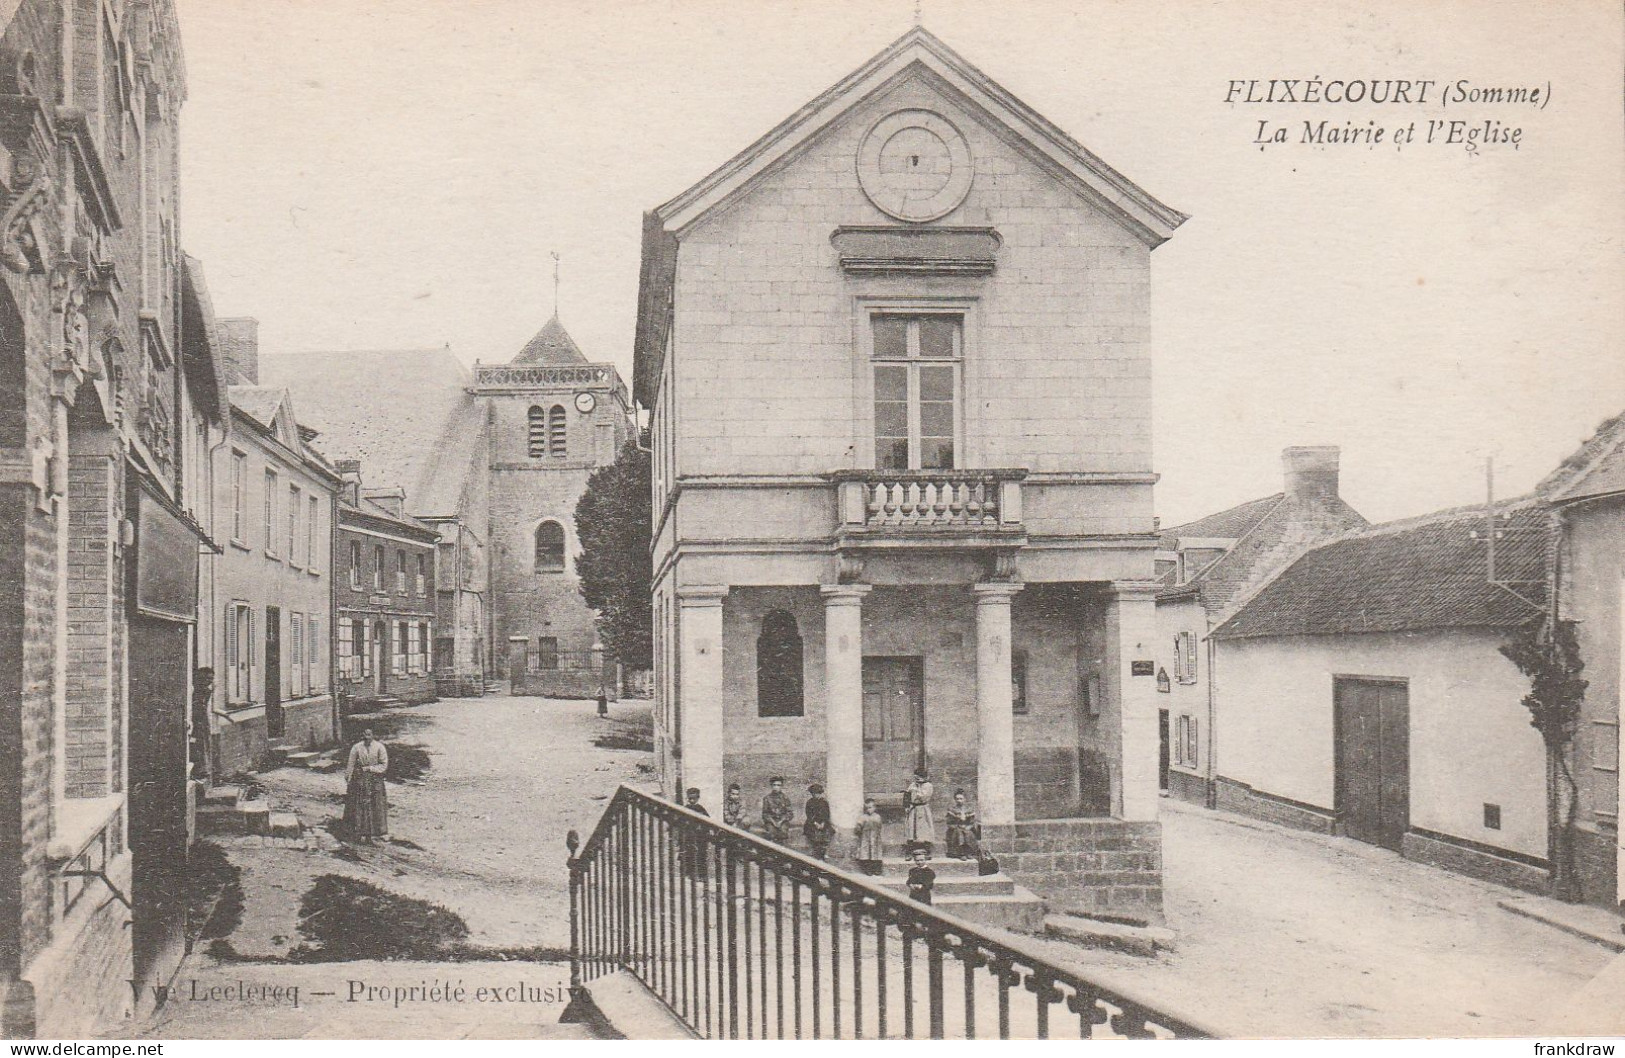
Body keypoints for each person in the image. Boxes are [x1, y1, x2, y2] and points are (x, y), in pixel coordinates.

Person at [344, 728, 390, 844]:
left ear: (373, 735)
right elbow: (351, 763)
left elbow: (384, 765)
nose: (367, 737)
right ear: (362, 735)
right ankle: (357, 832)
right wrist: (348, 778)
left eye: (369, 735)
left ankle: (374, 833)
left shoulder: (380, 747)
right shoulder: (357, 747)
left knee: (376, 805)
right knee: (359, 806)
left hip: (375, 780)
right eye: (364, 735)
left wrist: (370, 768)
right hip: (360, 780)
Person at [904, 767, 935, 857]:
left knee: (925, 828)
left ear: (924, 777)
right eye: (915, 777)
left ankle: (927, 850)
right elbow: (907, 795)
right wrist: (906, 806)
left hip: (923, 809)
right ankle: (909, 851)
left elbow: (923, 797)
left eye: (919, 777)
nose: (917, 780)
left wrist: (917, 788)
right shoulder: (913, 785)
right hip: (913, 808)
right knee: (911, 828)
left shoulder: (928, 786)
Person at [945, 788, 981, 860]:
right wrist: (956, 826)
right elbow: (949, 822)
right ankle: (961, 853)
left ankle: (968, 852)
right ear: (955, 800)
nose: (959, 801)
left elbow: (972, 821)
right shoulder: (952, 809)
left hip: (967, 827)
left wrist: (968, 827)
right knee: (959, 833)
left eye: (961, 799)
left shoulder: (969, 809)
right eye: (957, 799)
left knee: (968, 833)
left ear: (965, 799)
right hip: (956, 828)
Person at [853, 797, 884, 875]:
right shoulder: (863, 817)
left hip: (875, 838)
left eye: (870, 808)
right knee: (866, 853)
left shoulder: (877, 817)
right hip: (865, 838)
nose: (868, 810)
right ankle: (868, 869)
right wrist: (859, 830)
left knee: (876, 853)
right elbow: (858, 827)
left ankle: (877, 869)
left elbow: (879, 826)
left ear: (874, 807)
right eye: (866, 808)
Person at [802, 783, 833, 860]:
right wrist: (815, 823)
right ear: (811, 794)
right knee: (814, 836)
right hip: (812, 823)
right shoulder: (809, 802)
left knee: (826, 834)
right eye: (814, 793)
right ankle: (816, 853)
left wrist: (823, 823)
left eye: (818, 793)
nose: (816, 795)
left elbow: (827, 814)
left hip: (823, 823)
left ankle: (823, 853)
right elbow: (809, 815)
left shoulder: (824, 802)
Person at [760, 776, 794, 844]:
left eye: (778, 785)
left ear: (781, 786)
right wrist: (773, 822)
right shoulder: (767, 798)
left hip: (783, 821)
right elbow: (765, 814)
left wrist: (781, 821)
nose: (776, 787)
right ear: (771, 786)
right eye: (774, 785)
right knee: (771, 833)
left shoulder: (785, 798)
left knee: (783, 832)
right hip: (771, 821)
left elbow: (790, 813)